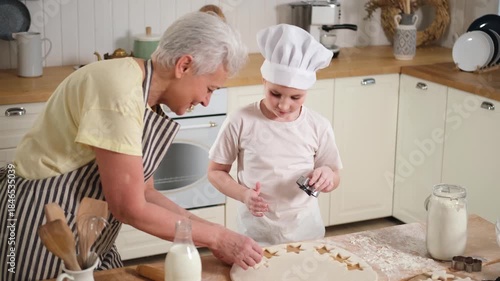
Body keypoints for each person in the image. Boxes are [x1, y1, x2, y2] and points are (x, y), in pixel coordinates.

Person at [0, 12, 262, 281]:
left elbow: (145, 192)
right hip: (42, 223)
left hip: (87, 229)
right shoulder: (120, 91)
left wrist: (215, 234)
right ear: (184, 65)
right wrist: (217, 238)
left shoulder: (145, 96)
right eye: (210, 88)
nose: (207, 101)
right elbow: (129, 207)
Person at [207, 24, 343, 246]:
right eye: (275, 93)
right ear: (264, 82)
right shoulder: (240, 120)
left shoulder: (318, 126)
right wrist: (243, 195)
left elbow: (335, 175)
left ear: (306, 92)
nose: (284, 105)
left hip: (306, 232)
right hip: (255, 234)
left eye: (295, 97)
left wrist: (328, 176)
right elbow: (215, 172)